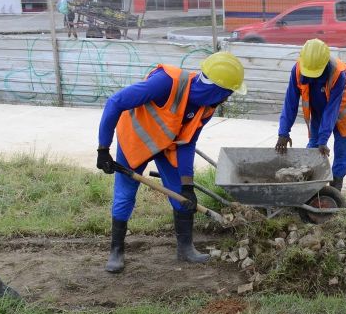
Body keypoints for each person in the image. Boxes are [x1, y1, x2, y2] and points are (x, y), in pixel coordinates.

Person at [95, 52, 246, 273]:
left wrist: (188, 185)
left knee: (181, 195)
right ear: (216, 88)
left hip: (169, 146)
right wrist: (103, 149)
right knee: (125, 195)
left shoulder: (207, 107)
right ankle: (116, 250)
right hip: (136, 140)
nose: (226, 99)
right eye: (228, 93)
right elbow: (115, 102)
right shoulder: (166, 83)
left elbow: (188, 142)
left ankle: (185, 249)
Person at [275, 38, 346, 192]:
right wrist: (283, 132)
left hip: (343, 113)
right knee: (313, 148)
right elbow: (290, 103)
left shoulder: (337, 74)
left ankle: (335, 190)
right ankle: (308, 189)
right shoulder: (298, 70)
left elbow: (332, 109)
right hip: (319, 112)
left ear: (324, 63)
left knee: (341, 152)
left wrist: (323, 139)